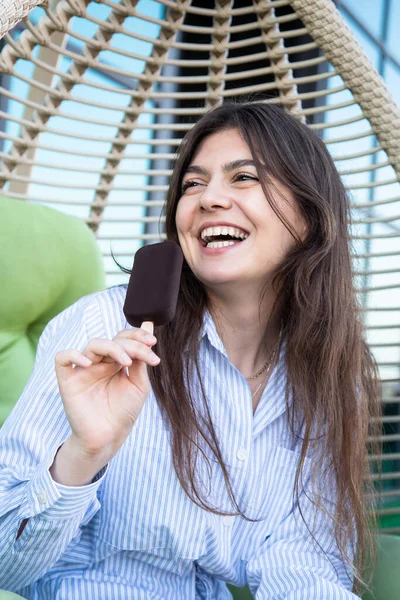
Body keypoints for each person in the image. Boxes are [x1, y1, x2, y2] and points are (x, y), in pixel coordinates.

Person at [0, 102, 381, 599]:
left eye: (244, 177)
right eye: (192, 184)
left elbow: (302, 562)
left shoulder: (328, 373)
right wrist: (83, 453)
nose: (208, 199)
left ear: (310, 215)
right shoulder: (105, 328)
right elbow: (6, 567)